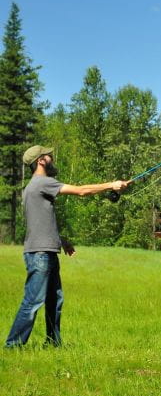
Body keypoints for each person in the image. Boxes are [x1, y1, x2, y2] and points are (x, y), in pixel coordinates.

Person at [5, 145, 129, 348]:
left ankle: (53, 343)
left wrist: (60, 239)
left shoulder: (31, 188)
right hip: (40, 254)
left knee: (54, 299)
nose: (52, 157)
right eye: (49, 155)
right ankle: (13, 346)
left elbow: (39, 222)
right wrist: (111, 185)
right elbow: (81, 191)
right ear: (41, 161)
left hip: (46, 251)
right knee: (33, 301)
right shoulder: (42, 183)